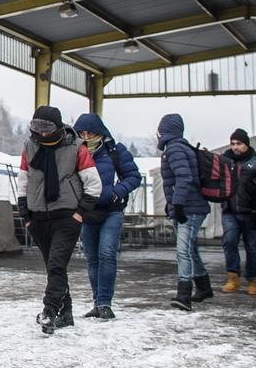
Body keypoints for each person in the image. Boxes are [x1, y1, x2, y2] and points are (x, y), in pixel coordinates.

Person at [18, 106, 100, 334]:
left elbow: (94, 184)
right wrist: (26, 215)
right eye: (37, 128)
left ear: (58, 127)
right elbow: (23, 182)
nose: (42, 134)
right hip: (38, 218)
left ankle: (50, 311)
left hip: (67, 216)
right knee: (55, 267)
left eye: (47, 129)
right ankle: (66, 313)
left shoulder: (76, 148)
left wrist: (80, 212)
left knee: (56, 264)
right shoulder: (29, 147)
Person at [72, 113, 141, 320]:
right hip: (86, 211)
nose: (86, 137)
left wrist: (116, 192)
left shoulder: (115, 151)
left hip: (112, 210)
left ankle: (105, 303)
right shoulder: (74, 152)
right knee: (92, 259)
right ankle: (97, 303)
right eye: (81, 133)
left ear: (100, 132)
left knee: (107, 254)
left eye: (90, 133)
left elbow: (133, 176)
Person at [157, 114, 210, 311]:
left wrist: (177, 204)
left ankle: (184, 295)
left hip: (189, 208)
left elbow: (184, 177)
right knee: (190, 249)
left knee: (183, 251)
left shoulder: (175, 149)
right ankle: (204, 287)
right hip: (190, 206)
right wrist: (171, 204)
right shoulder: (180, 147)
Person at [219, 129, 256, 297]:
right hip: (230, 211)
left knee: (252, 247)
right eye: (232, 143)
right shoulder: (225, 162)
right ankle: (233, 277)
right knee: (229, 242)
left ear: (246, 144)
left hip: (252, 212)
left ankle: (253, 279)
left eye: (239, 143)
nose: (235, 147)